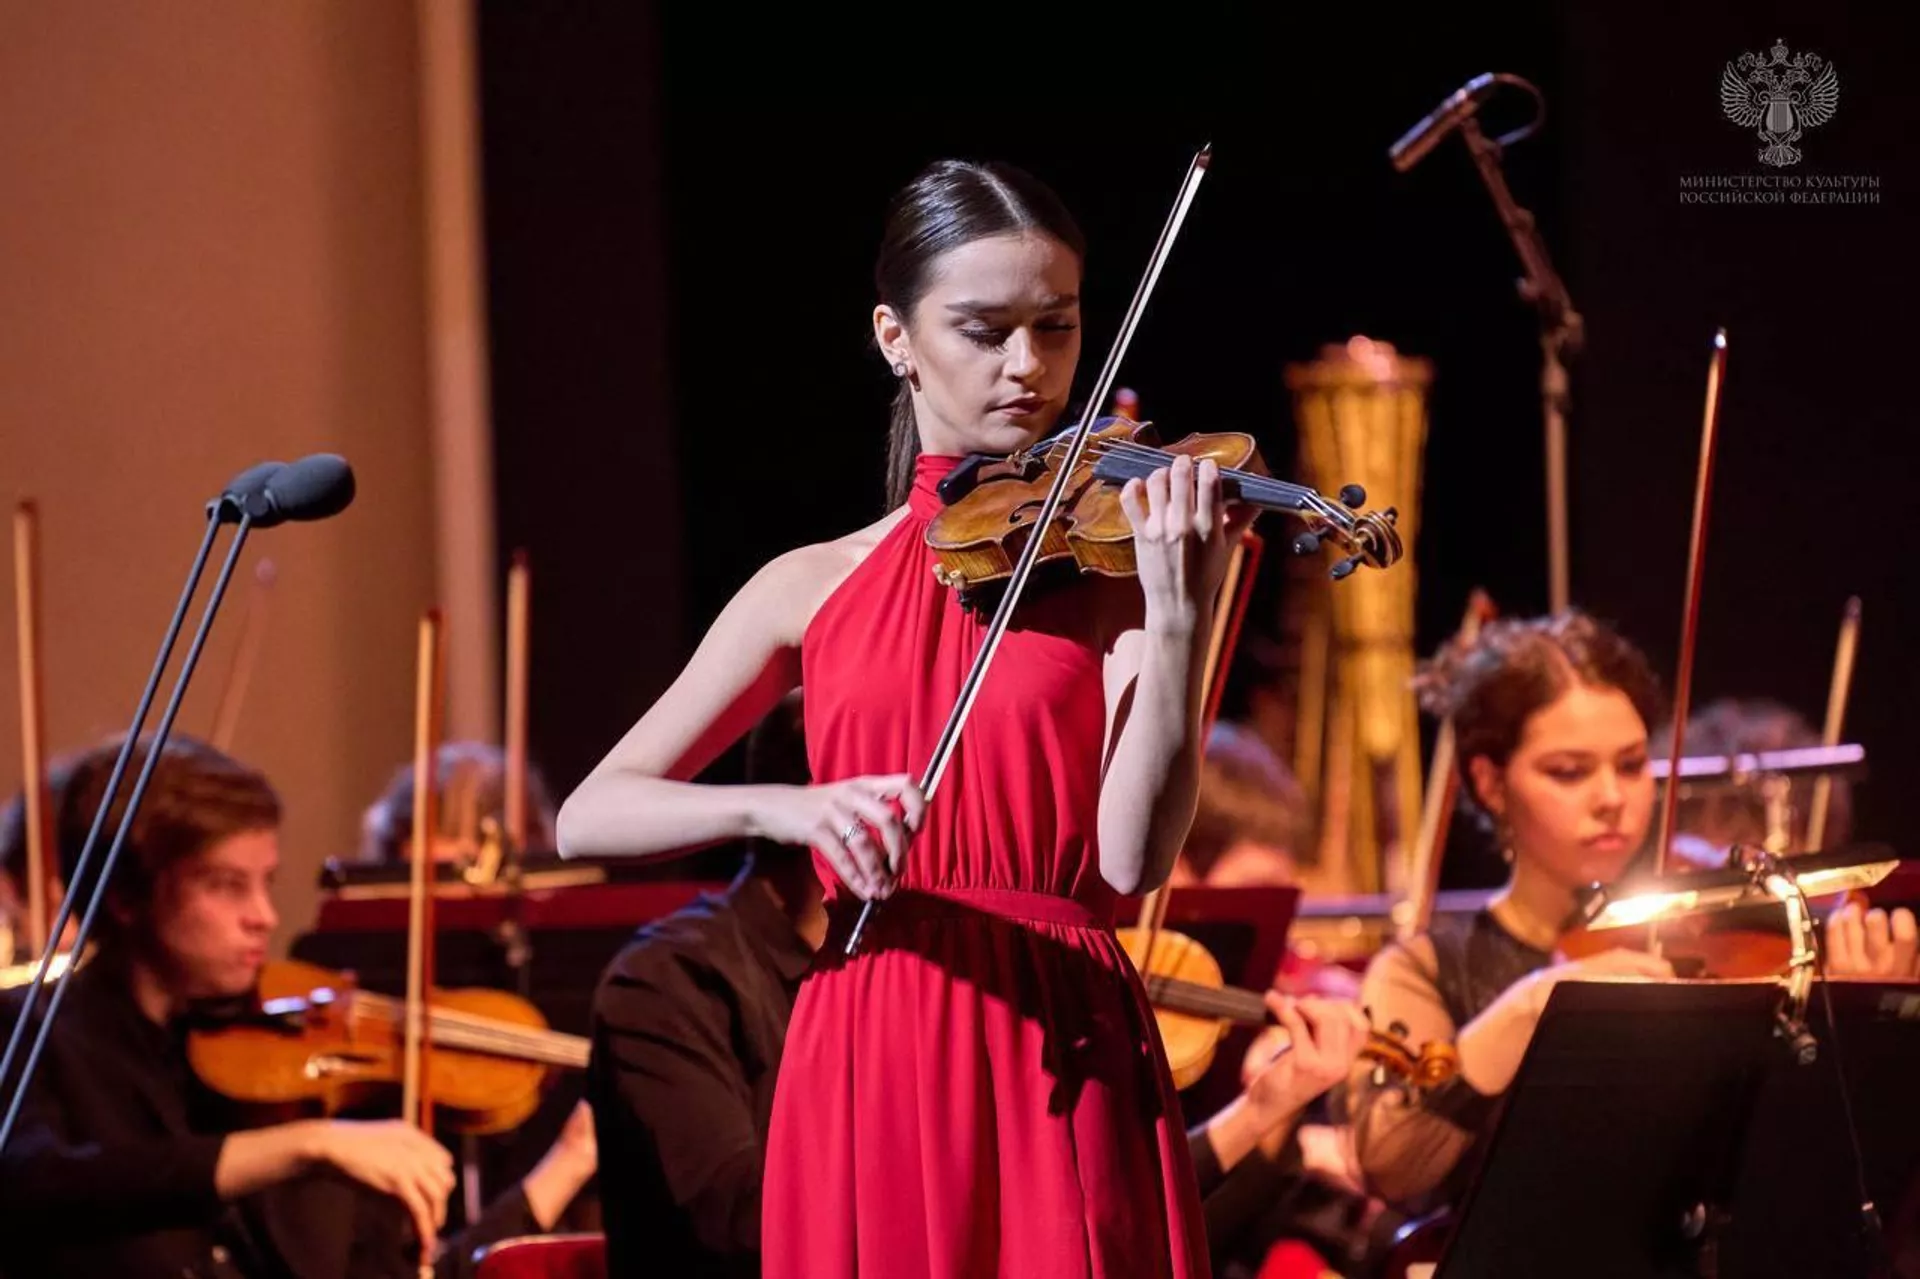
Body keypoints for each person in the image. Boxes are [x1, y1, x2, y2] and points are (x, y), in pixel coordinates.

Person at [559, 157, 1259, 1274]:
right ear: (895, 337)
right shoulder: (814, 582)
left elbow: (1129, 858)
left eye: (1059, 327)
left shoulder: (1120, 563)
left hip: (1056, 1032)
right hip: (875, 1031)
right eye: (984, 330)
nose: (1028, 367)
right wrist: (795, 807)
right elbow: (588, 816)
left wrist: (1181, 621)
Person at [0, 734, 458, 1278]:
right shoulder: (31, 1030)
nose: (263, 915)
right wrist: (300, 1145)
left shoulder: (278, 1065)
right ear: (125, 896)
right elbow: (36, 1183)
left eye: (266, 883)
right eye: (227, 886)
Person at [1342, 612, 1676, 1219]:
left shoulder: (1686, 930)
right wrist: (1529, 1007)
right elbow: (1389, 1163)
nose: (1612, 798)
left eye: (1631, 765)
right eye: (1569, 772)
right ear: (1491, 783)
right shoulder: (1424, 970)